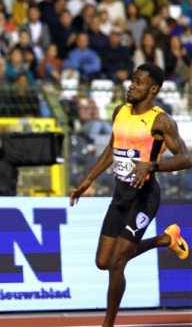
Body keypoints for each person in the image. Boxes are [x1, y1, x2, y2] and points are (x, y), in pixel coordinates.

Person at [69, 63, 191, 327]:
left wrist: (152, 165)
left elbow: (186, 158)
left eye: (138, 82)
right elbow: (112, 148)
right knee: (102, 261)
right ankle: (164, 239)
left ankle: (108, 324)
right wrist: (87, 180)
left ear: (153, 89)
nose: (131, 86)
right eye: (132, 81)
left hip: (144, 197)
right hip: (121, 195)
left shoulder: (161, 121)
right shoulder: (120, 112)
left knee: (117, 262)